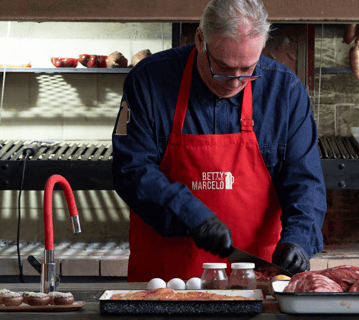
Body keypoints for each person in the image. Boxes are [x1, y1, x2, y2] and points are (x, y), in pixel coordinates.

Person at [112, 0, 327, 282]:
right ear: (201, 39)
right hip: (167, 274)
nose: (236, 81)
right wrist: (189, 213)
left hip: (255, 272)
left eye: (248, 69)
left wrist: (298, 240)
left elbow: (305, 180)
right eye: (224, 68)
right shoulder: (147, 81)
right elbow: (131, 168)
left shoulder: (285, 91)